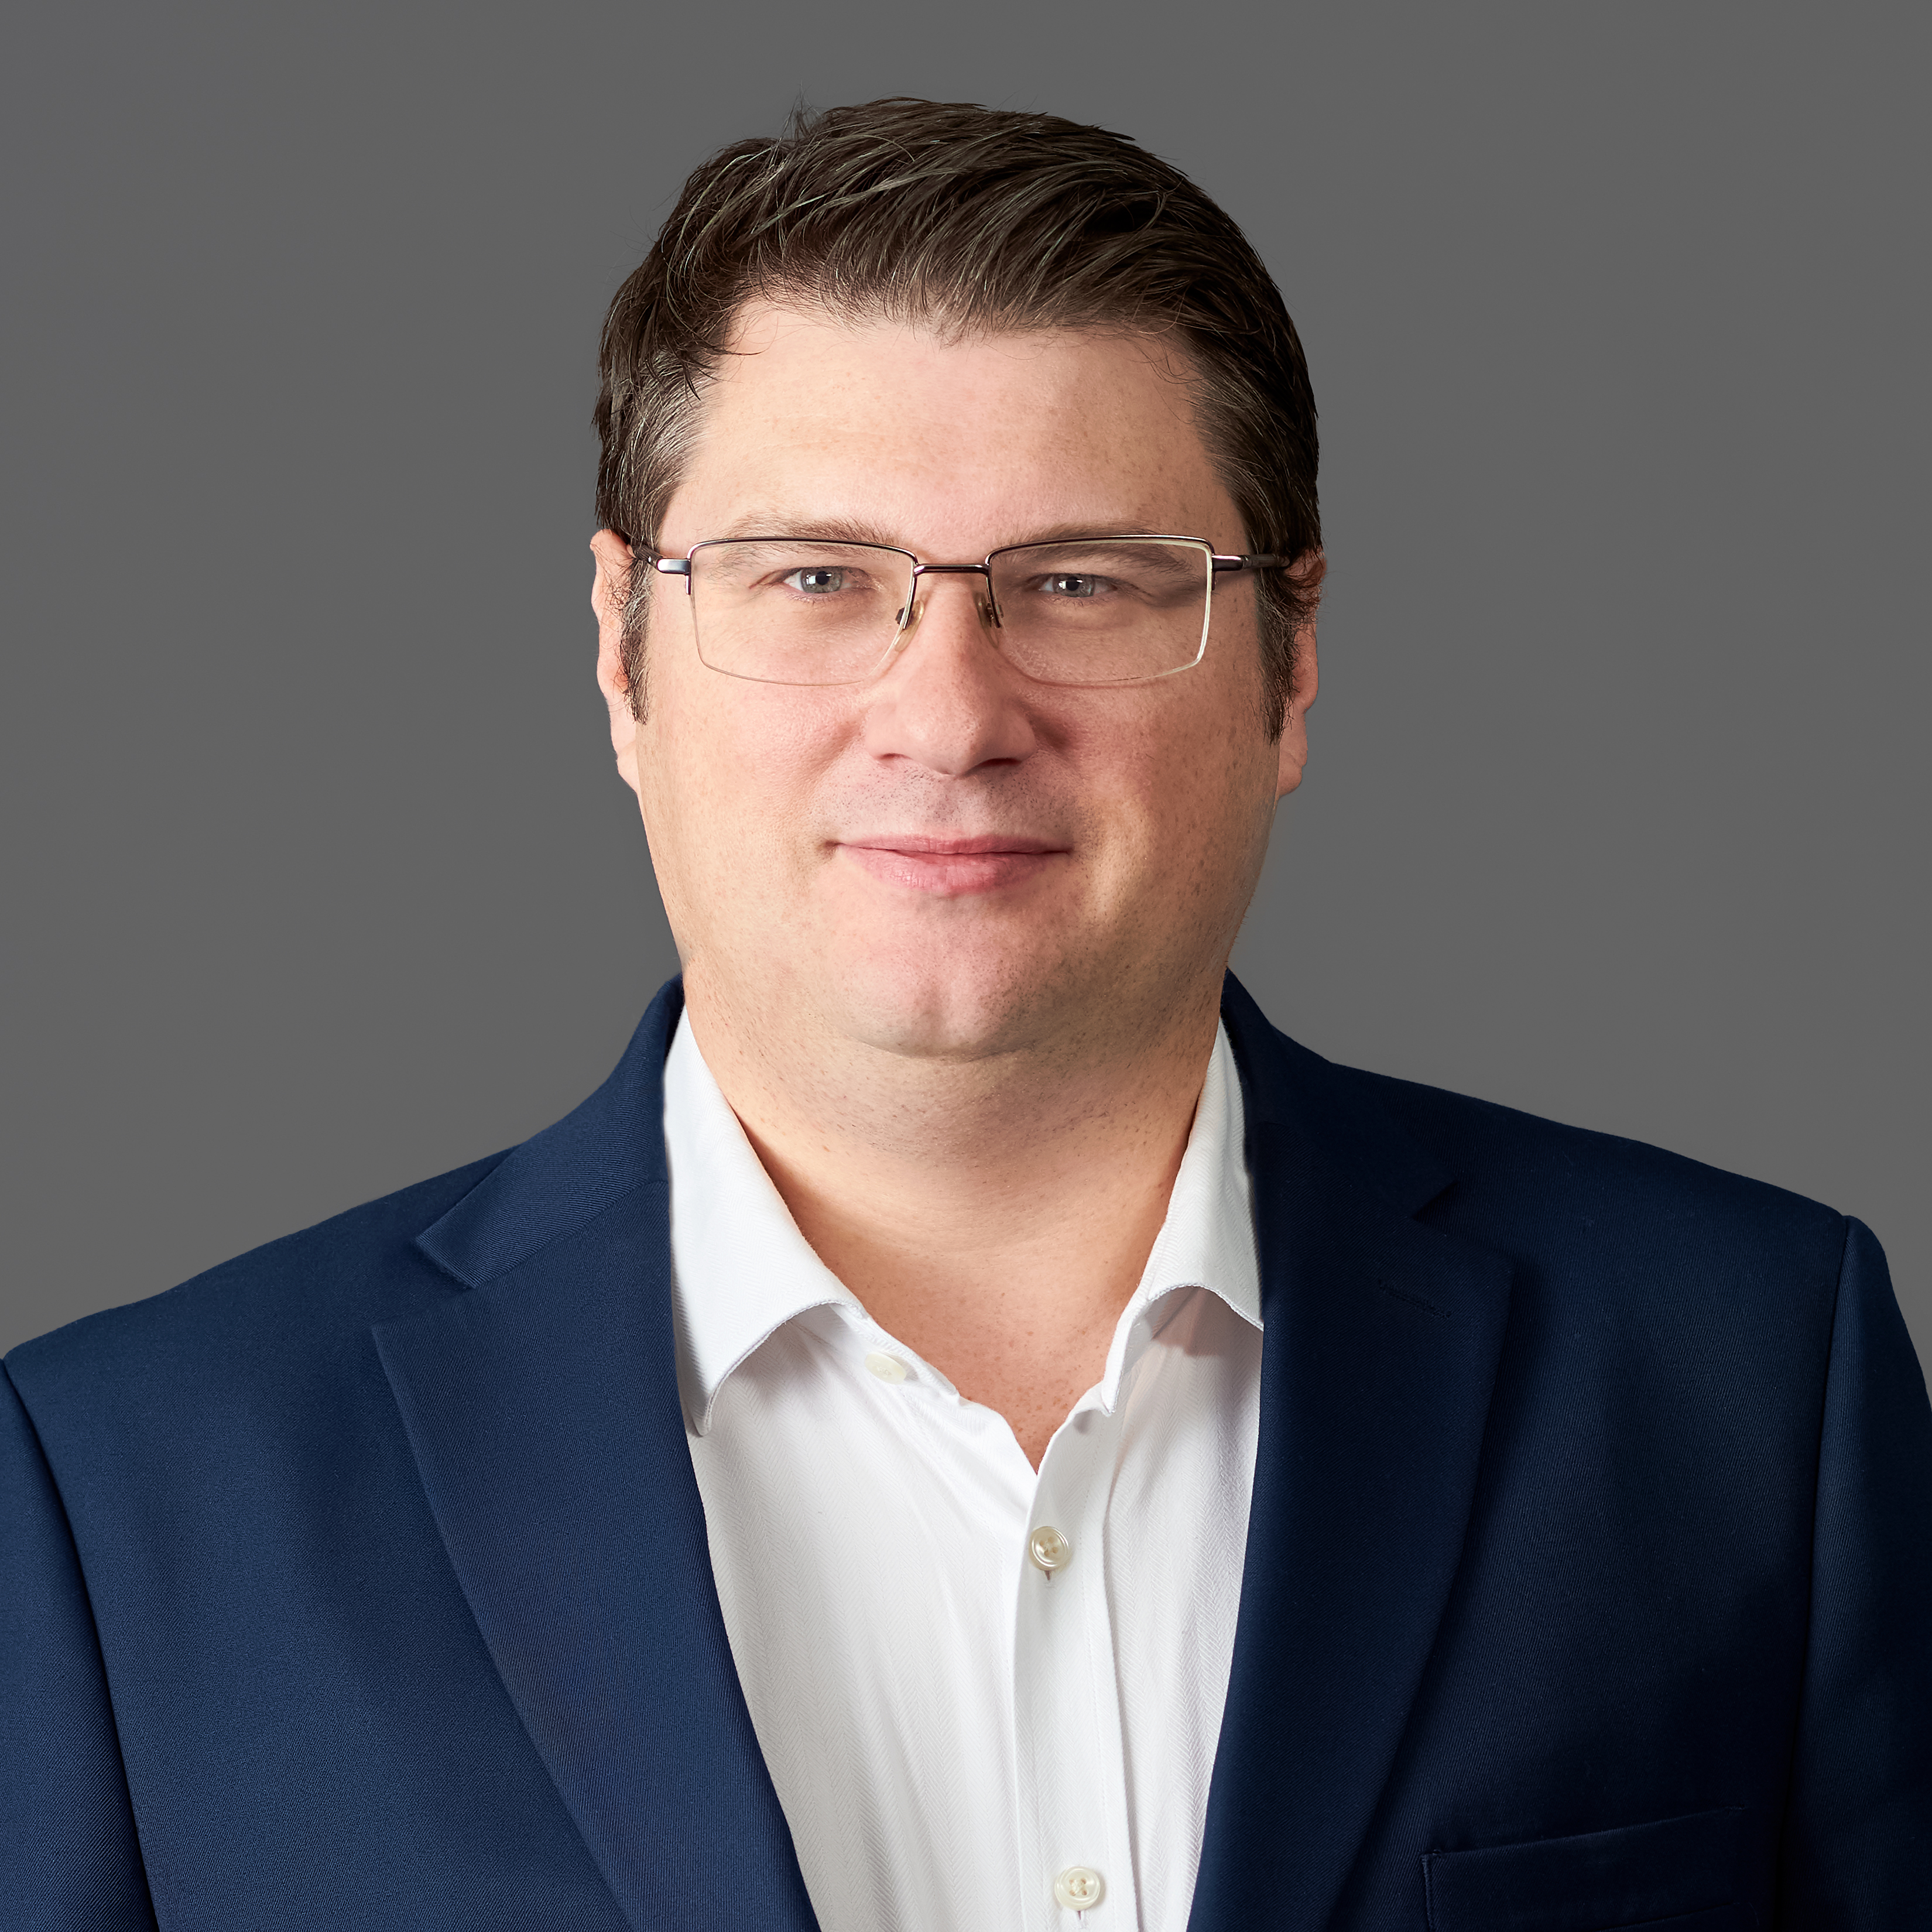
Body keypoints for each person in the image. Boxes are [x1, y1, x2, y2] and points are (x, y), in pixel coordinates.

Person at [4, 96, 1927, 1932]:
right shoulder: (129, 1499)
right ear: (620, 651)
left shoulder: (1747, 1382)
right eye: (815, 576)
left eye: (1082, 581)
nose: (947, 714)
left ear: (1288, 662)